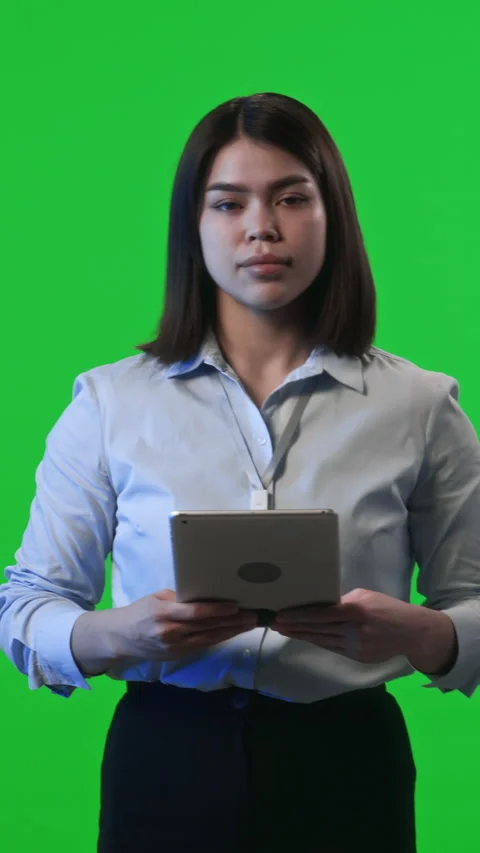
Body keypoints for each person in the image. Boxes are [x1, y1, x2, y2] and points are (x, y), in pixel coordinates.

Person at [1, 92, 480, 853]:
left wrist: (420, 632)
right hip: (162, 760)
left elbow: (472, 604)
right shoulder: (108, 402)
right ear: (193, 226)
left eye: (293, 197)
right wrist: (120, 631)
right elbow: (25, 605)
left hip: (348, 762)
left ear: (334, 215)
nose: (262, 227)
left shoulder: (420, 404)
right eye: (229, 203)